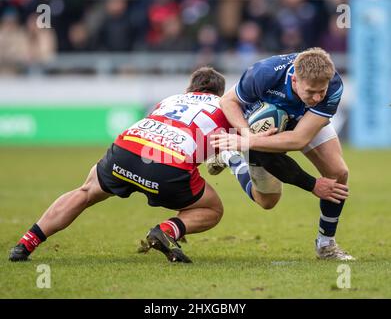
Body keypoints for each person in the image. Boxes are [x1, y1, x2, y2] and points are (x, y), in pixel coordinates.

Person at [9, 66, 348, 264]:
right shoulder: (231, 107)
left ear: (190, 88)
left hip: (129, 146)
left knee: (85, 192)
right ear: (220, 92)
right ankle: (169, 230)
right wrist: (309, 183)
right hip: (169, 167)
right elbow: (264, 153)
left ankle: (26, 242)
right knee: (213, 208)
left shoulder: (169, 99)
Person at [210, 48, 354, 261]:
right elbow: (227, 102)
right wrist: (248, 135)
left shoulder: (332, 84)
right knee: (267, 202)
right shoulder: (265, 73)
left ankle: (326, 244)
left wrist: (249, 141)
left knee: (339, 173)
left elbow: (299, 139)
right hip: (261, 126)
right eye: (310, 92)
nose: (316, 97)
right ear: (295, 80)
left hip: (303, 120)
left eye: (320, 92)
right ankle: (232, 158)